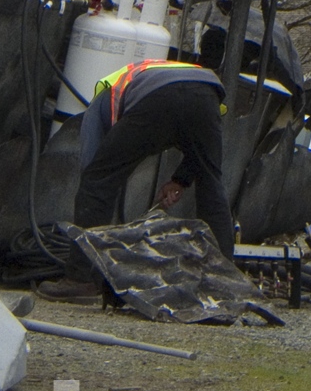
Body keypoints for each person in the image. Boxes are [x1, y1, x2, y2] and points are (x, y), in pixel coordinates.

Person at [73, 57, 234, 256]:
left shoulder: (103, 98)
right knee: (211, 183)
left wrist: (92, 196)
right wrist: (180, 180)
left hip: (156, 96)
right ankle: (223, 274)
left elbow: (95, 169)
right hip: (206, 92)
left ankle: (82, 278)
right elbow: (200, 150)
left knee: (97, 181)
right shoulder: (163, 70)